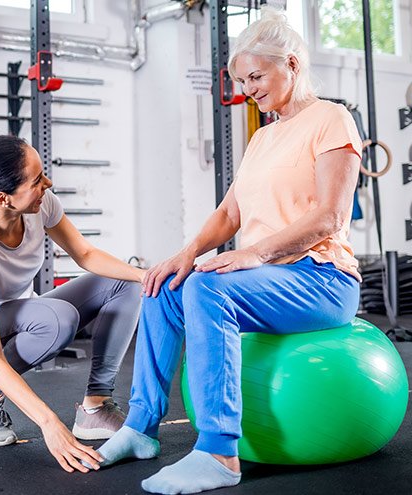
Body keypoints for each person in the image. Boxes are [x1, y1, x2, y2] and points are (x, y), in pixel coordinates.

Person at [92, 8, 363, 494]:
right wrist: (184, 252)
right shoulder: (262, 137)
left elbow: (330, 217)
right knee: (163, 286)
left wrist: (254, 254)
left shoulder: (331, 119)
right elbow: (228, 215)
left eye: (256, 76)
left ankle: (219, 453)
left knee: (209, 289)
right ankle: (140, 427)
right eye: (242, 80)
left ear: (293, 65)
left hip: (321, 278)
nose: (249, 89)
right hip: (269, 278)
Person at [0, 134, 144, 473]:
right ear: (3, 198)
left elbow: (86, 253)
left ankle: (95, 407)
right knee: (57, 319)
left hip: (25, 314)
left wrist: (149, 275)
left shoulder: (40, 204)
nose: (47, 183)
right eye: (37, 181)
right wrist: (49, 423)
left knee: (123, 282)